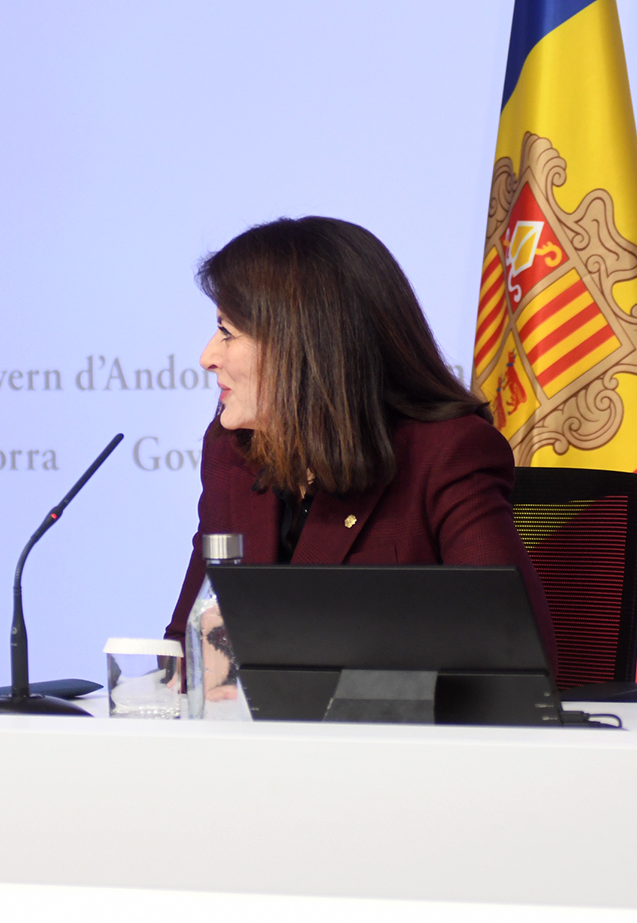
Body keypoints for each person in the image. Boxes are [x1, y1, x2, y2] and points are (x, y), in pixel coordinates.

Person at [166, 216, 559, 671]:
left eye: (227, 333)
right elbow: (187, 649)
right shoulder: (232, 450)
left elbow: (513, 659)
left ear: (304, 343)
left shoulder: (446, 452)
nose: (207, 357)